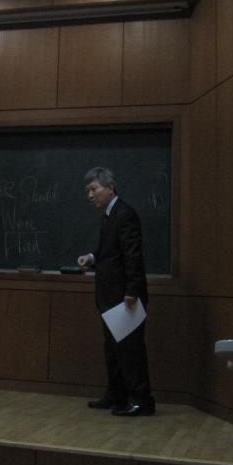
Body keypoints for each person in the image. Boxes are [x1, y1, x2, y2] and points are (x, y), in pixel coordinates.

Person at [77, 167, 154, 416]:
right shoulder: (109, 215)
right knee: (113, 349)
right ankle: (117, 395)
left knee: (130, 350)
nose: (90, 195)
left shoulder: (125, 214)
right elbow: (109, 251)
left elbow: (133, 255)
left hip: (124, 297)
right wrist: (91, 258)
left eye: (93, 189)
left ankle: (141, 400)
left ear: (110, 188)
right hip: (110, 296)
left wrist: (132, 290)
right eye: (88, 190)